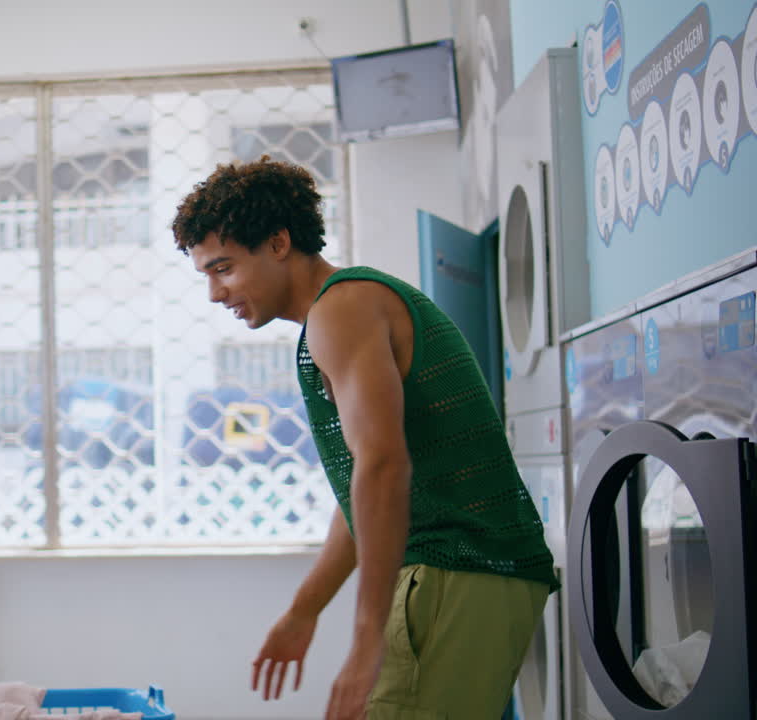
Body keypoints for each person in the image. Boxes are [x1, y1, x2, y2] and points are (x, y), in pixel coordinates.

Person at [172, 157, 558, 720]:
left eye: (223, 268)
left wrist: (366, 640)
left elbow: (383, 469)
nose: (214, 293)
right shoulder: (344, 309)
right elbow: (365, 489)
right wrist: (304, 610)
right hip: (468, 576)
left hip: (452, 571)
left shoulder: (342, 309)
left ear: (278, 243)